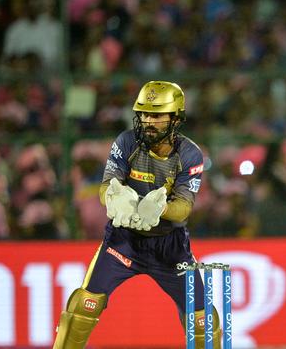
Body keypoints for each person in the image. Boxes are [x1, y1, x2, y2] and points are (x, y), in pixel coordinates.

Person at [52, 81, 221, 348]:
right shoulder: (127, 141)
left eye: (156, 115)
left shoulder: (190, 154)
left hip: (170, 247)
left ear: (175, 118)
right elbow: (106, 186)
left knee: (202, 322)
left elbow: (185, 207)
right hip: (124, 241)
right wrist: (113, 198)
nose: (147, 121)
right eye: (143, 113)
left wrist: (161, 209)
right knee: (84, 305)